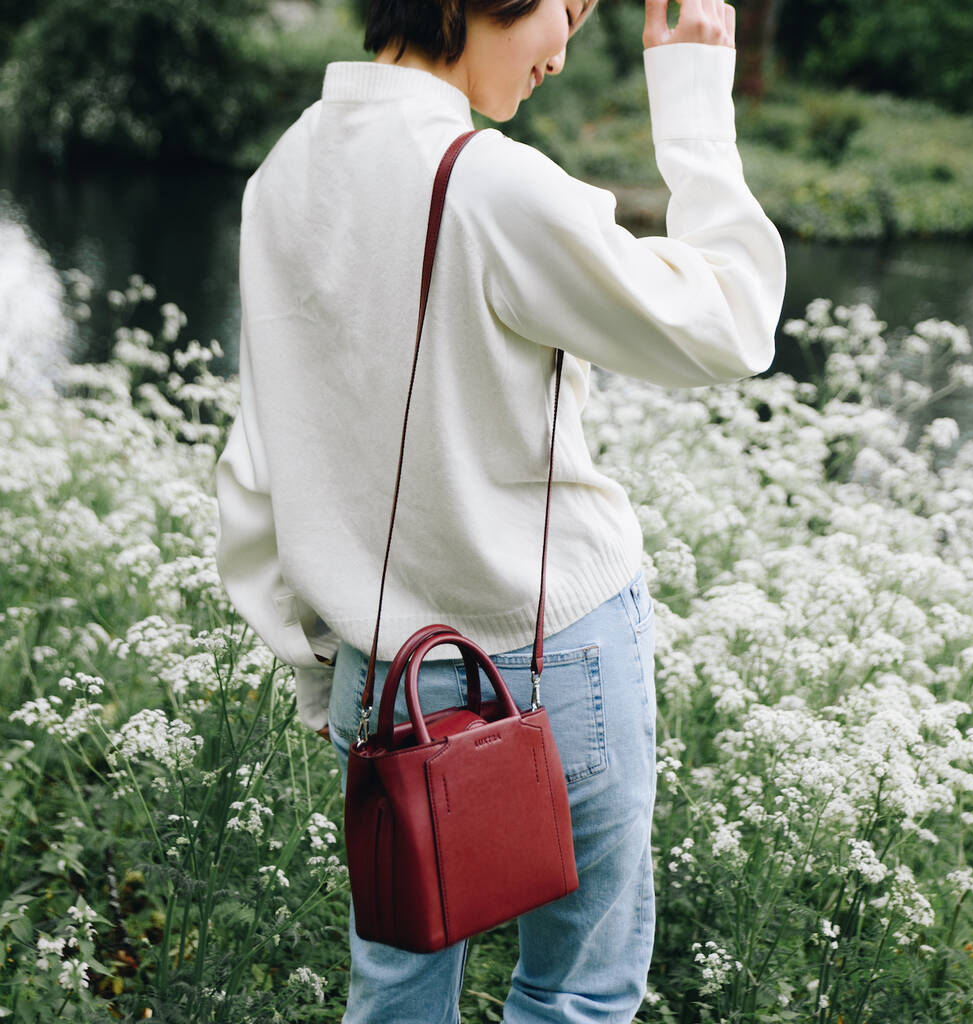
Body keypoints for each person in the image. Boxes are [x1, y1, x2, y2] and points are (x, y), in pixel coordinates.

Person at [214, 0, 785, 1019]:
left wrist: (326, 673)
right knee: (574, 990)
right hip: (552, 654)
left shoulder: (282, 175)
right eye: (566, 11)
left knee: (392, 987)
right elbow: (733, 323)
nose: (562, 54)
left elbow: (258, 460)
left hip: (378, 670)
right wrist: (694, 106)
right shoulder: (495, 185)